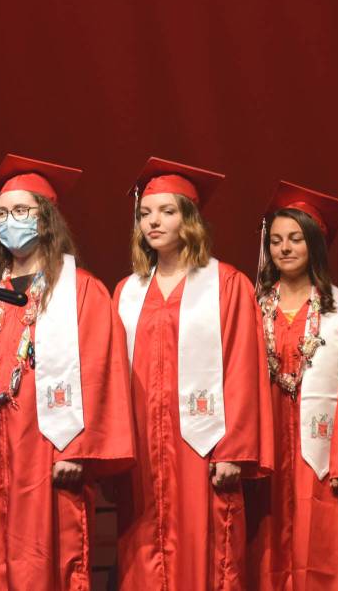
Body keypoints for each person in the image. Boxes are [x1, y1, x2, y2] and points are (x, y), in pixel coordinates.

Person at [0, 154, 134, 589]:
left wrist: (77, 448)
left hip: (48, 448)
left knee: (45, 560)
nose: (10, 222)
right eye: (2, 213)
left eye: (21, 211)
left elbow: (101, 372)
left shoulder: (83, 293)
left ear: (45, 219)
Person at [113, 158, 273, 590]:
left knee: (206, 550)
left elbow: (242, 366)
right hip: (143, 448)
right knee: (142, 549)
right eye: (145, 213)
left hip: (202, 447)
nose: (153, 222)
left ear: (190, 219)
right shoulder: (127, 291)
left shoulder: (227, 284)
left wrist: (233, 450)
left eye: (166, 211)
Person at [245, 182, 338, 591]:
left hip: (323, 456)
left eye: (295, 239)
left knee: (328, 547)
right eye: (277, 240)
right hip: (267, 447)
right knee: (265, 545)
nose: (284, 248)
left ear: (314, 244)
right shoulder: (251, 307)